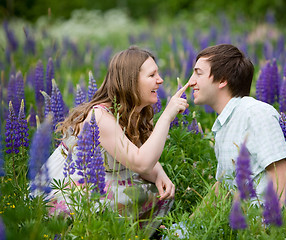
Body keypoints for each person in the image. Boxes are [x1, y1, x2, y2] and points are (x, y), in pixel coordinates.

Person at [38, 46, 190, 235]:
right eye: (152, 75)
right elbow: (140, 163)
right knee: (141, 191)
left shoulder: (134, 112)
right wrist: (167, 116)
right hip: (70, 195)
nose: (160, 80)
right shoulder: (100, 117)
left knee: (153, 189)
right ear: (131, 81)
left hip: (98, 186)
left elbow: (140, 153)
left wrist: (159, 173)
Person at [188, 44, 286, 204]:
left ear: (223, 80)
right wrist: (184, 228)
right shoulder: (225, 122)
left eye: (198, 73)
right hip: (242, 222)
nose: (191, 81)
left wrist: (267, 227)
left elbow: (285, 182)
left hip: (263, 223)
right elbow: (223, 187)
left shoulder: (255, 114)